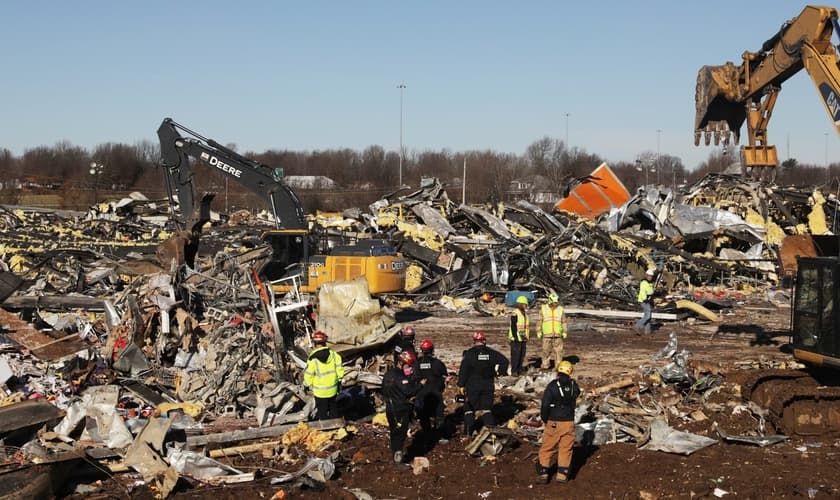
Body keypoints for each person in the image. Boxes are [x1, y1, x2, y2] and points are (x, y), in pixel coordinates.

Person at [457, 331, 509, 437]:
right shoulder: (491, 353)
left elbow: (463, 370)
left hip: (472, 386)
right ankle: (490, 435)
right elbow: (504, 361)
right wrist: (499, 372)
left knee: (469, 410)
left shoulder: (469, 354)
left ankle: (468, 434)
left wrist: (461, 384)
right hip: (487, 385)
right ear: (484, 341)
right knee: (486, 409)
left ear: (474, 341)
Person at [537, 360, 581, 484]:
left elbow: (545, 405)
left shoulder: (552, 386)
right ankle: (562, 475)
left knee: (547, 448)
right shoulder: (574, 386)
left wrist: (545, 418)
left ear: (558, 371)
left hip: (554, 421)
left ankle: (543, 473)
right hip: (569, 422)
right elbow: (577, 394)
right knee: (566, 449)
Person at [382, 350, 420, 464]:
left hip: (390, 408)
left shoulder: (388, 374)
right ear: (402, 363)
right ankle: (398, 458)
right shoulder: (400, 377)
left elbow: (383, 390)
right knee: (400, 433)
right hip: (400, 408)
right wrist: (420, 386)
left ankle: (395, 455)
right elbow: (408, 391)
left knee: (394, 432)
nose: (409, 368)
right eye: (408, 365)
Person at [303, 331, 345, 420]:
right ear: (325, 342)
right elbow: (340, 371)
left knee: (322, 413)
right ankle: (335, 426)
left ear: (314, 343)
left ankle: (325, 427)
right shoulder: (334, 355)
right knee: (334, 410)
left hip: (320, 393)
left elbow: (309, 374)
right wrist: (339, 381)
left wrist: (306, 384)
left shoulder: (312, 358)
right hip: (333, 390)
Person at [416, 339, 448, 437]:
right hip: (436, 394)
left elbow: (413, 378)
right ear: (432, 350)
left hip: (422, 394)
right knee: (439, 415)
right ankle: (440, 436)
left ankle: (427, 435)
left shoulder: (417, 363)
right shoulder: (438, 363)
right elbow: (445, 376)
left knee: (424, 416)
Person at [538, 292, 568, 370]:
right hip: (547, 334)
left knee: (559, 352)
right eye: (554, 302)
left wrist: (565, 331)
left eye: (556, 302)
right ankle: (545, 366)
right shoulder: (543, 309)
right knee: (546, 351)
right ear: (550, 301)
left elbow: (564, 322)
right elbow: (540, 321)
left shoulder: (560, 309)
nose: (555, 304)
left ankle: (558, 367)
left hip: (558, 334)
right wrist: (538, 331)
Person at [509, 295, 531, 375]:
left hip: (522, 337)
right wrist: (515, 337)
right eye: (525, 304)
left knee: (521, 355)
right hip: (516, 338)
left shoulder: (525, 314)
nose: (526, 306)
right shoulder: (515, 313)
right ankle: (514, 371)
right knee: (515, 356)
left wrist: (524, 336)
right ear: (520, 304)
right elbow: (513, 326)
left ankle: (519, 369)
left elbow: (523, 327)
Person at [634, 268, 656, 335]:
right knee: (648, 316)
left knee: (648, 316)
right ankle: (637, 326)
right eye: (649, 276)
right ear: (646, 275)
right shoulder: (644, 282)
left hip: (648, 301)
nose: (650, 277)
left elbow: (650, 291)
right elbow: (642, 292)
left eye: (651, 276)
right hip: (644, 301)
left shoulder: (650, 283)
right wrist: (645, 299)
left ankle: (647, 331)